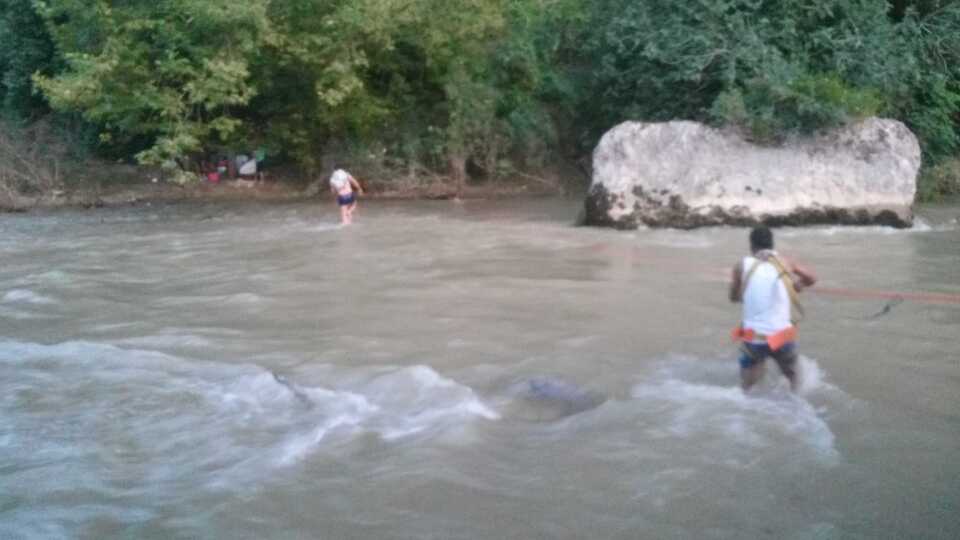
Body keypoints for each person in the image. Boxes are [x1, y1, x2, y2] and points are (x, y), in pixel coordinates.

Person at [729, 225, 816, 392]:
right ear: (772, 244)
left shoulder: (741, 265)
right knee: (795, 383)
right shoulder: (786, 263)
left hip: (754, 337)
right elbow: (812, 278)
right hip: (782, 336)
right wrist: (797, 285)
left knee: (747, 390)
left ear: (751, 246)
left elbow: (733, 298)